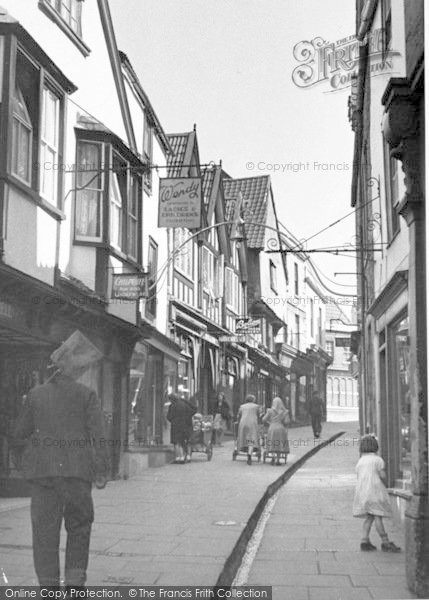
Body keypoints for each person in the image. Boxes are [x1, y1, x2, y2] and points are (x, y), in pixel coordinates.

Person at [12, 331, 108, 592]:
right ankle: (75, 585)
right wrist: (101, 470)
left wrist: (25, 462)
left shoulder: (36, 395)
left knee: (45, 535)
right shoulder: (87, 395)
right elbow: (100, 437)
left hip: (43, 477)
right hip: (78, 475)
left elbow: (19, 434)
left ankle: (49, 588)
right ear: (76, 370)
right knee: (79, 528)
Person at [353, 434, 401, 552]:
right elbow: (382, 475)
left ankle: (364, 541)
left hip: (363, 493)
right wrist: (387, 483)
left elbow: (358, 476)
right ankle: (385, 542)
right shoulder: (377, 460)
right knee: (378, 516)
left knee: (369, 517)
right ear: (376, 447)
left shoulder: (360, 461)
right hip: (375, 492)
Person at [167, 394, 197, 463]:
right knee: (186, 441)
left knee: (177, 442)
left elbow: (169, 416)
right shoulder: (185, 405)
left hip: (176, 426)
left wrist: (173, 421)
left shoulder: (172, 406)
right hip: (186, 425)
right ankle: (188, 456)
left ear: (171, 400)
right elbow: (194, 410)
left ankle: (179, 457)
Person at [262, 396, 290, 465]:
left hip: (272, 428)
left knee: (272, 442)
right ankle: (278, 460)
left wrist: (270, 422)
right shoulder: (284, 412)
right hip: (280, 428)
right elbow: (287, 422)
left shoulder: (270, 411)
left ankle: (273, 457)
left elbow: (264, 419)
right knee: (279, 443)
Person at [237, 394, 261, 465]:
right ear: (253, 400)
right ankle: (249, 454)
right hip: (252, 423)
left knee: (244, 437)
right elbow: (259, 415)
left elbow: (239, 415)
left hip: (243, 423)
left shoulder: (242, 406)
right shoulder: (256, 406)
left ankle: (242, 448)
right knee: (252, 439)